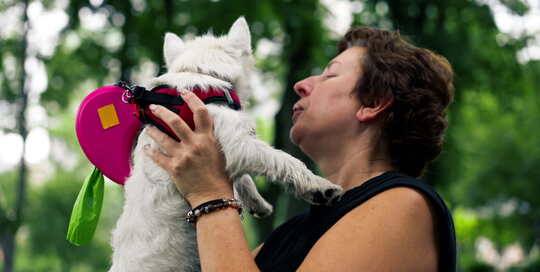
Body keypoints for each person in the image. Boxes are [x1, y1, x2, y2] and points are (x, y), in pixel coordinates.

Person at [144, 26, 457, 271]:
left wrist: (209, 193)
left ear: (373, 103)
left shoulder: (403, 205)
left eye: (330, 74)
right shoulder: (292, 232)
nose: (302, 84)